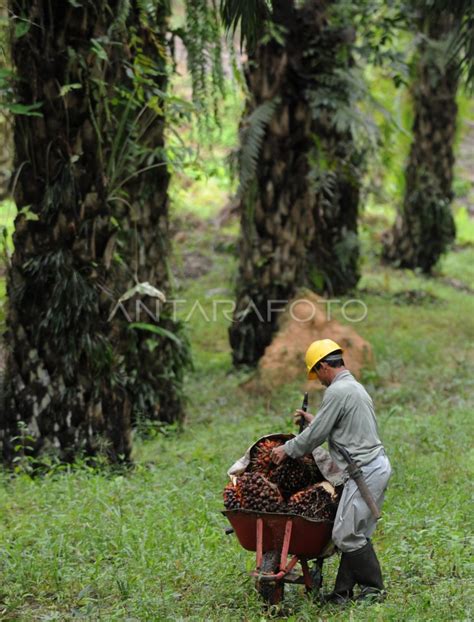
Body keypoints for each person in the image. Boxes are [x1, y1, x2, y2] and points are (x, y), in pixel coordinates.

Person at [271, 338, 391, 604]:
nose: (319, 381)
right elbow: (338, 426)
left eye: (318, 374)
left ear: (325, 365)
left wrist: (286, 450)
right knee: (355, 532)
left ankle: (374, 589)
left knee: (345, 534)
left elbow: (313, 439)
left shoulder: (337, 391)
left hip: (365, 471)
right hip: (373, 466)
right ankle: (342, 594)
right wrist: (316, 421)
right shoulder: (352, 387)